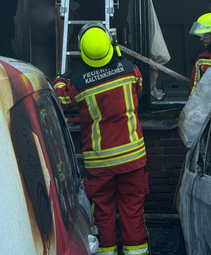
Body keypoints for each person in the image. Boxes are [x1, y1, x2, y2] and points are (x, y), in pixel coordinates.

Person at [53, 24, 149, 255]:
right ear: (111, 46)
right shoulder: (131, 70)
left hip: (100, 164)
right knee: (133, 212)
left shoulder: (78, 82)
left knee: (103, 214)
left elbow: (62, 100)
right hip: (133, 159)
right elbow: (140, 88)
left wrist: (60, 79)